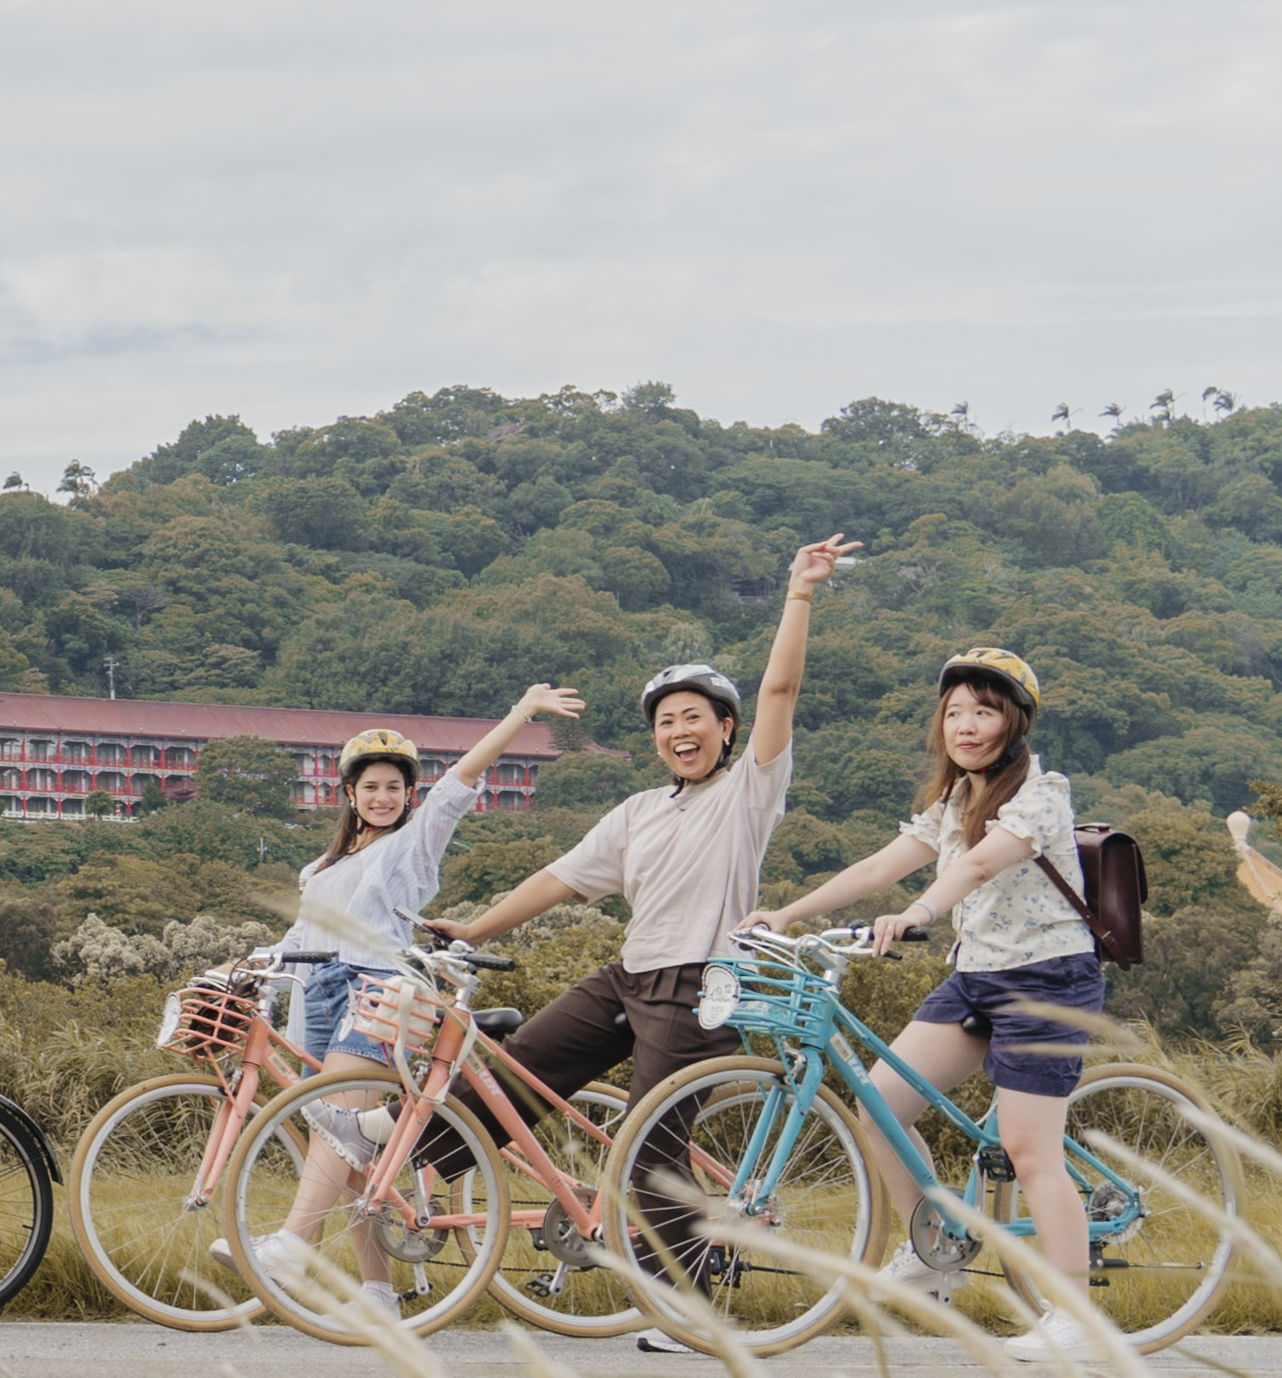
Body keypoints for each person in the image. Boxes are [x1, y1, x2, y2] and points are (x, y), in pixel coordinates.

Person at [426, 535, 856, 1326]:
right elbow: (557, 878)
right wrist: (473, 924)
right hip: (630, 976)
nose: (677, 730)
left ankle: (690, 1312)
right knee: (521, 1070)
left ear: (725, 730)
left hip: (701, 985)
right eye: (664, 721)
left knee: (649, 1146)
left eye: (693, 717)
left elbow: (782, 692)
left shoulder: (747, 793)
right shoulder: (637, 812)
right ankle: (407, 1167)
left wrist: (798, 592)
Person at [749, 645, 1108, 1302]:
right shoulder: (952, 799)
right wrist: (784, 912)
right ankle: (931, 1247)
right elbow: (875, 867)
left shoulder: (1042, 794)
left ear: (1014, 725)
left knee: (1030, 1154)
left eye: (984, 711)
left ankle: (1072, 1315)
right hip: (975, 977)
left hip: (1046, 981)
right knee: (881, 1102)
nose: (965, 725)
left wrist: (913, 912)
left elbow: (975, 867)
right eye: (954, 712)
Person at [252, 689, 590, 1309]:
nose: (383, 797)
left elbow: (462, 780)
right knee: (347, 1156)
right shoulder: (318, 871)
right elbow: (297, 941)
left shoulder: (411, 845)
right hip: (317, 1001)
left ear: (410, 796)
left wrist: (520, 714)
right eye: (371, 786)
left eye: (394, 788)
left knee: (343, 1138)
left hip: (375, 993)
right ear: (348, 795)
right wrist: (247, 970)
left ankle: (294, 1247)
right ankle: (379, 1292)